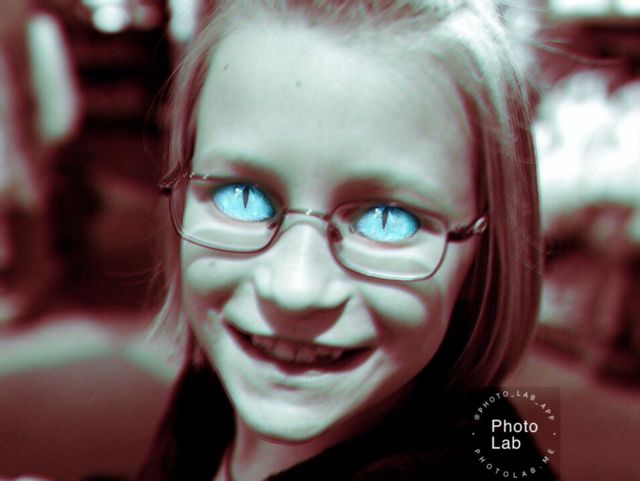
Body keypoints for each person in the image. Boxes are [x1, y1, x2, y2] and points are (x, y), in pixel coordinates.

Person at [138, 1, 553, 480]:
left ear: (483, 255)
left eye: (387, 220)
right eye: (243, 197)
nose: (294, 289)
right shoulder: (212, 390)